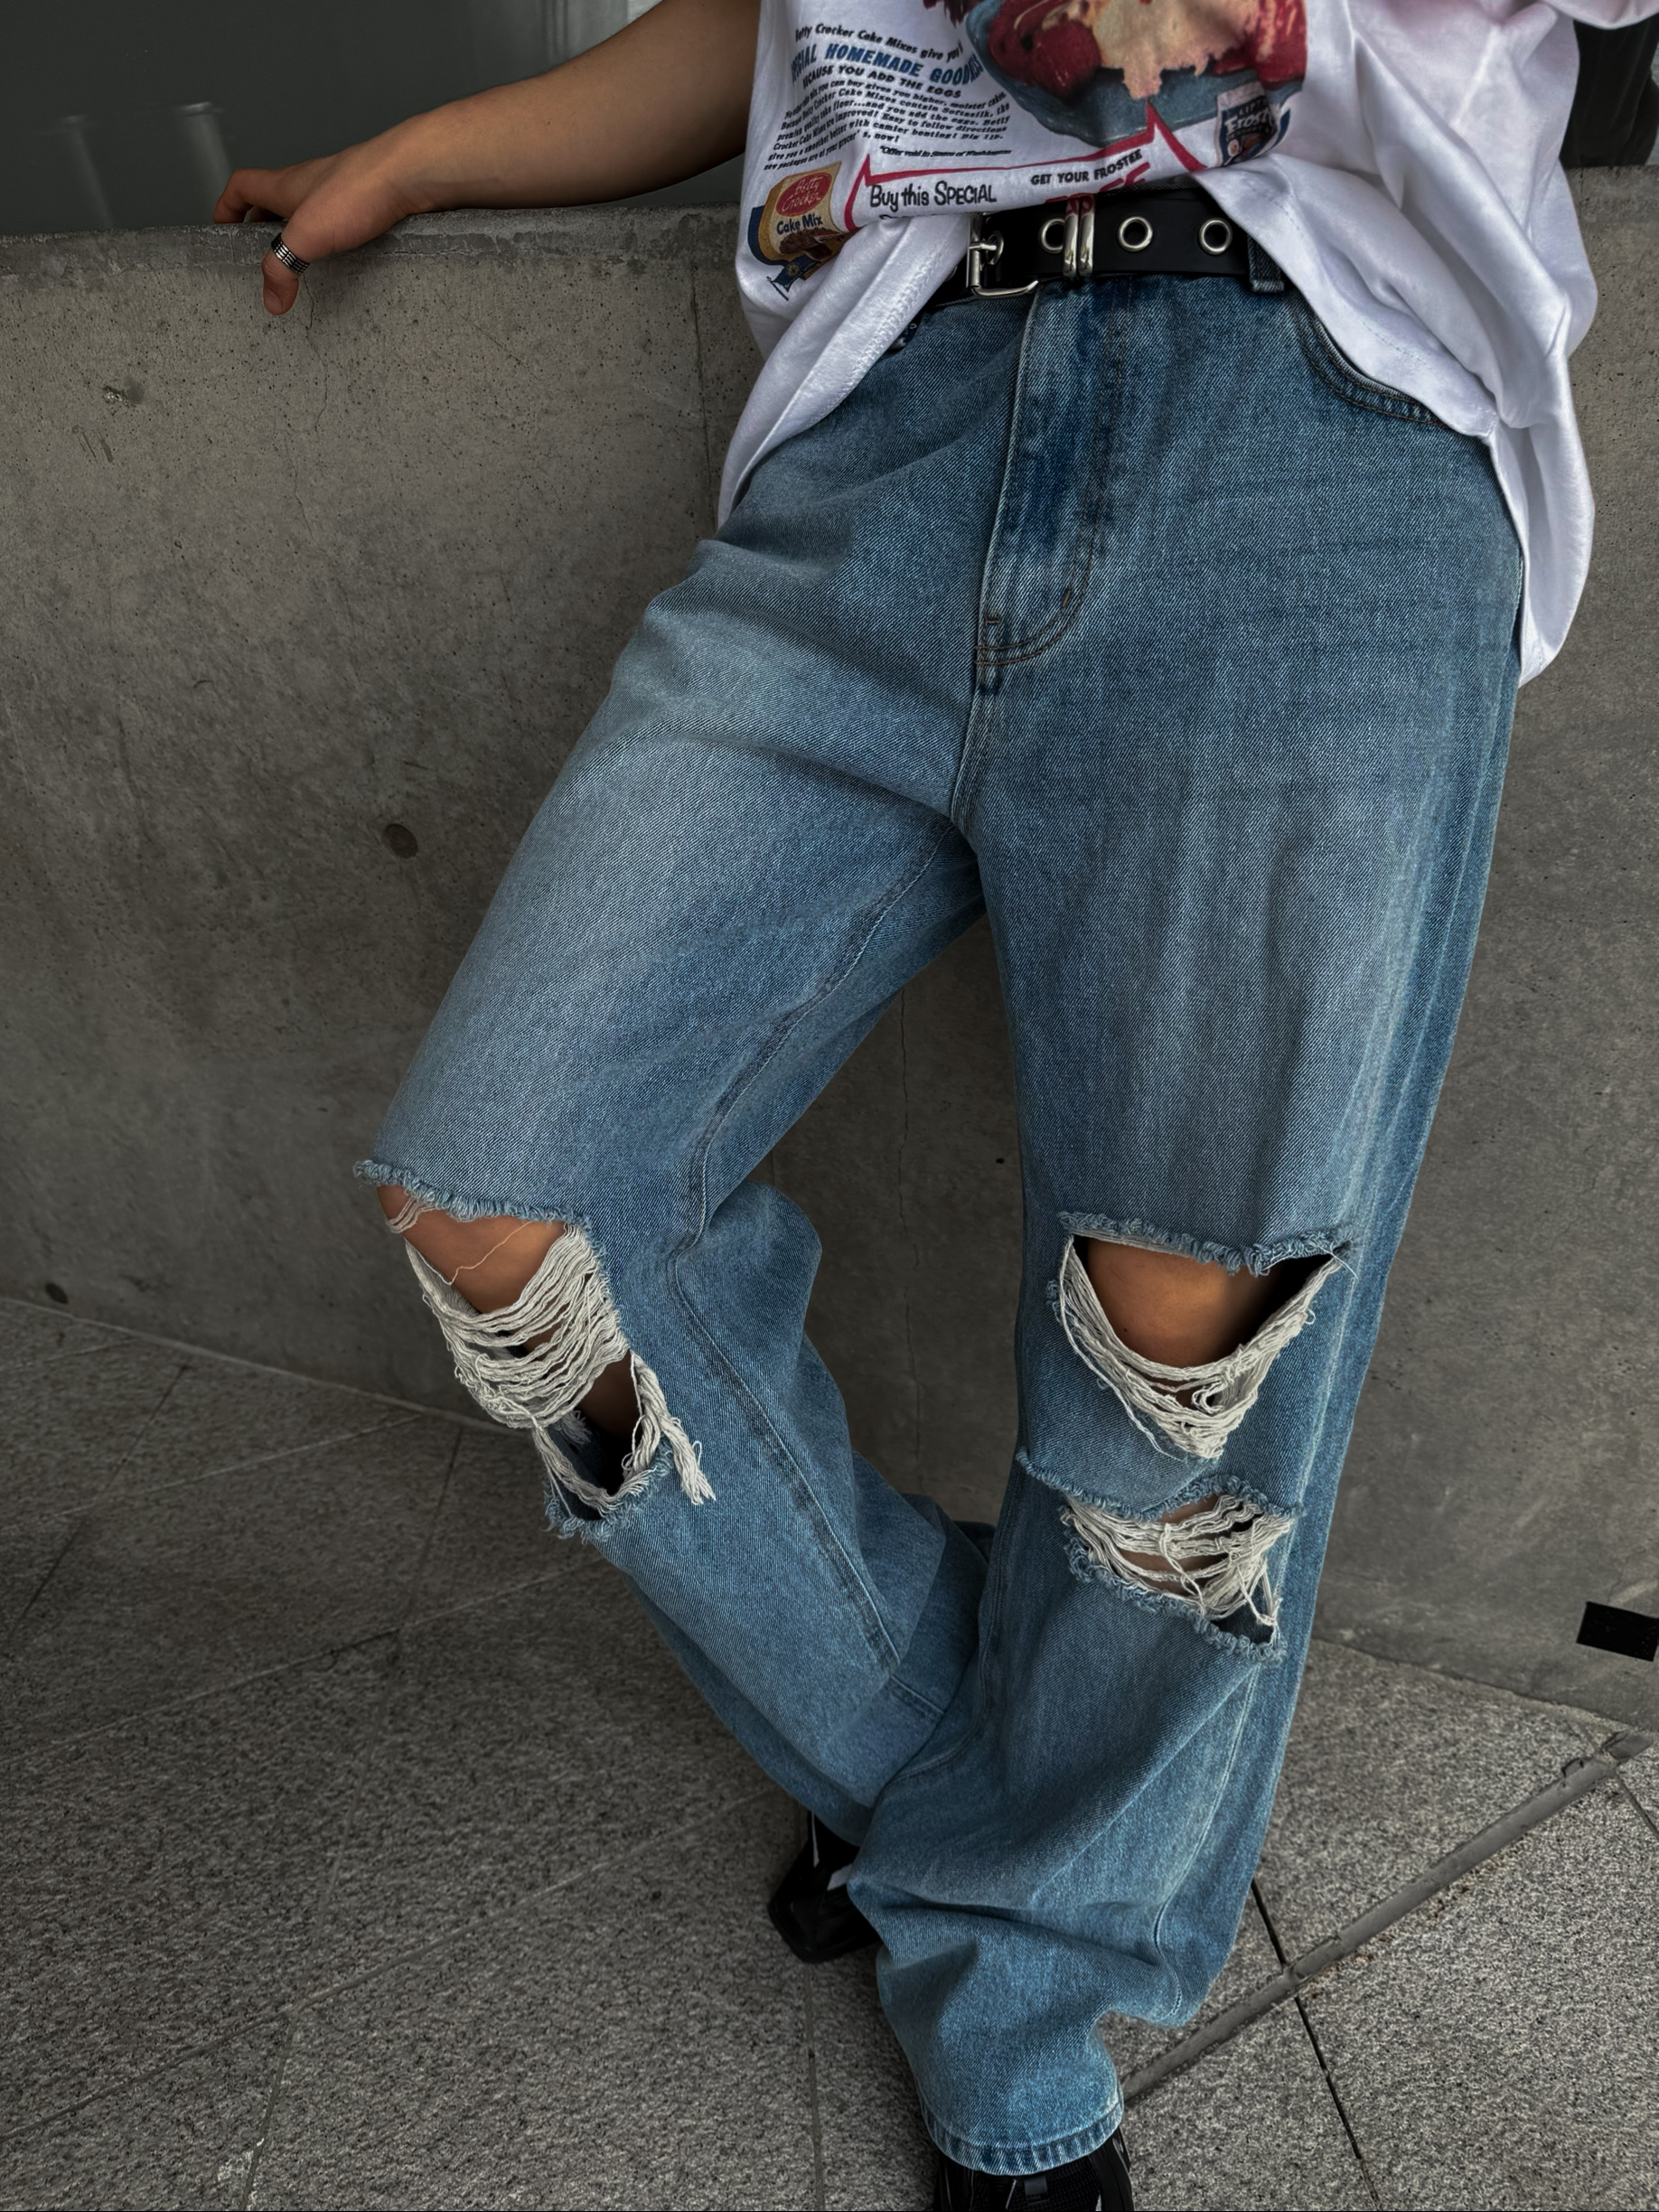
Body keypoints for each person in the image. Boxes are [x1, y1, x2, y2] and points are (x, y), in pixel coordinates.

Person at [216, 4, 1655, 2203]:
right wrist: (417, 157)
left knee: (1188, 1357)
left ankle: (1015, 1998)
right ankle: (971, 1791)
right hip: (876, 444)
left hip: (1312, 410)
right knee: (511, 1199)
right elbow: (763, 21)